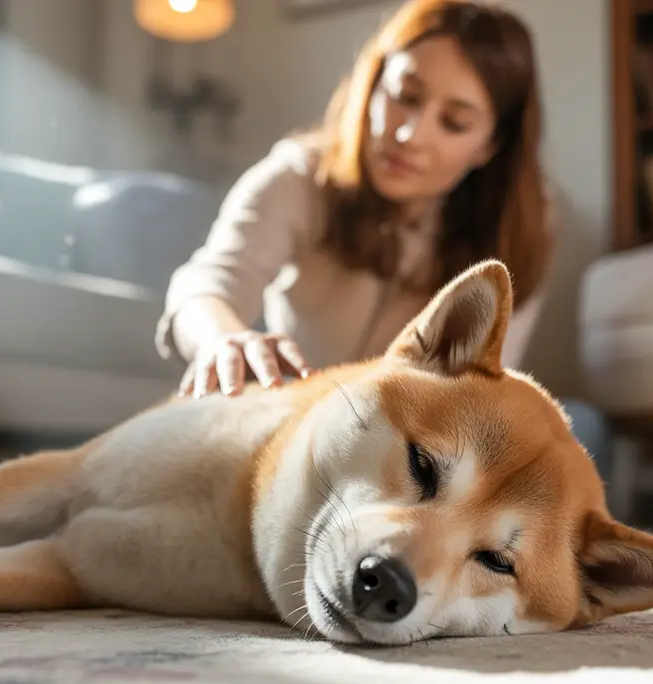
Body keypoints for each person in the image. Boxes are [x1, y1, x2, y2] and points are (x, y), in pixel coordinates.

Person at [152, 0, 615, 491]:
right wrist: (222, 338)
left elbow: (482, 384)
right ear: (372, 87)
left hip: (413, 449)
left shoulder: (521, 227)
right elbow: (207, 286)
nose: (409, 135)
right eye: (404, 96)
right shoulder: (298, 175)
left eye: (454, 123)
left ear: (489, 146)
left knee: (578, 429)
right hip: (293, 425)